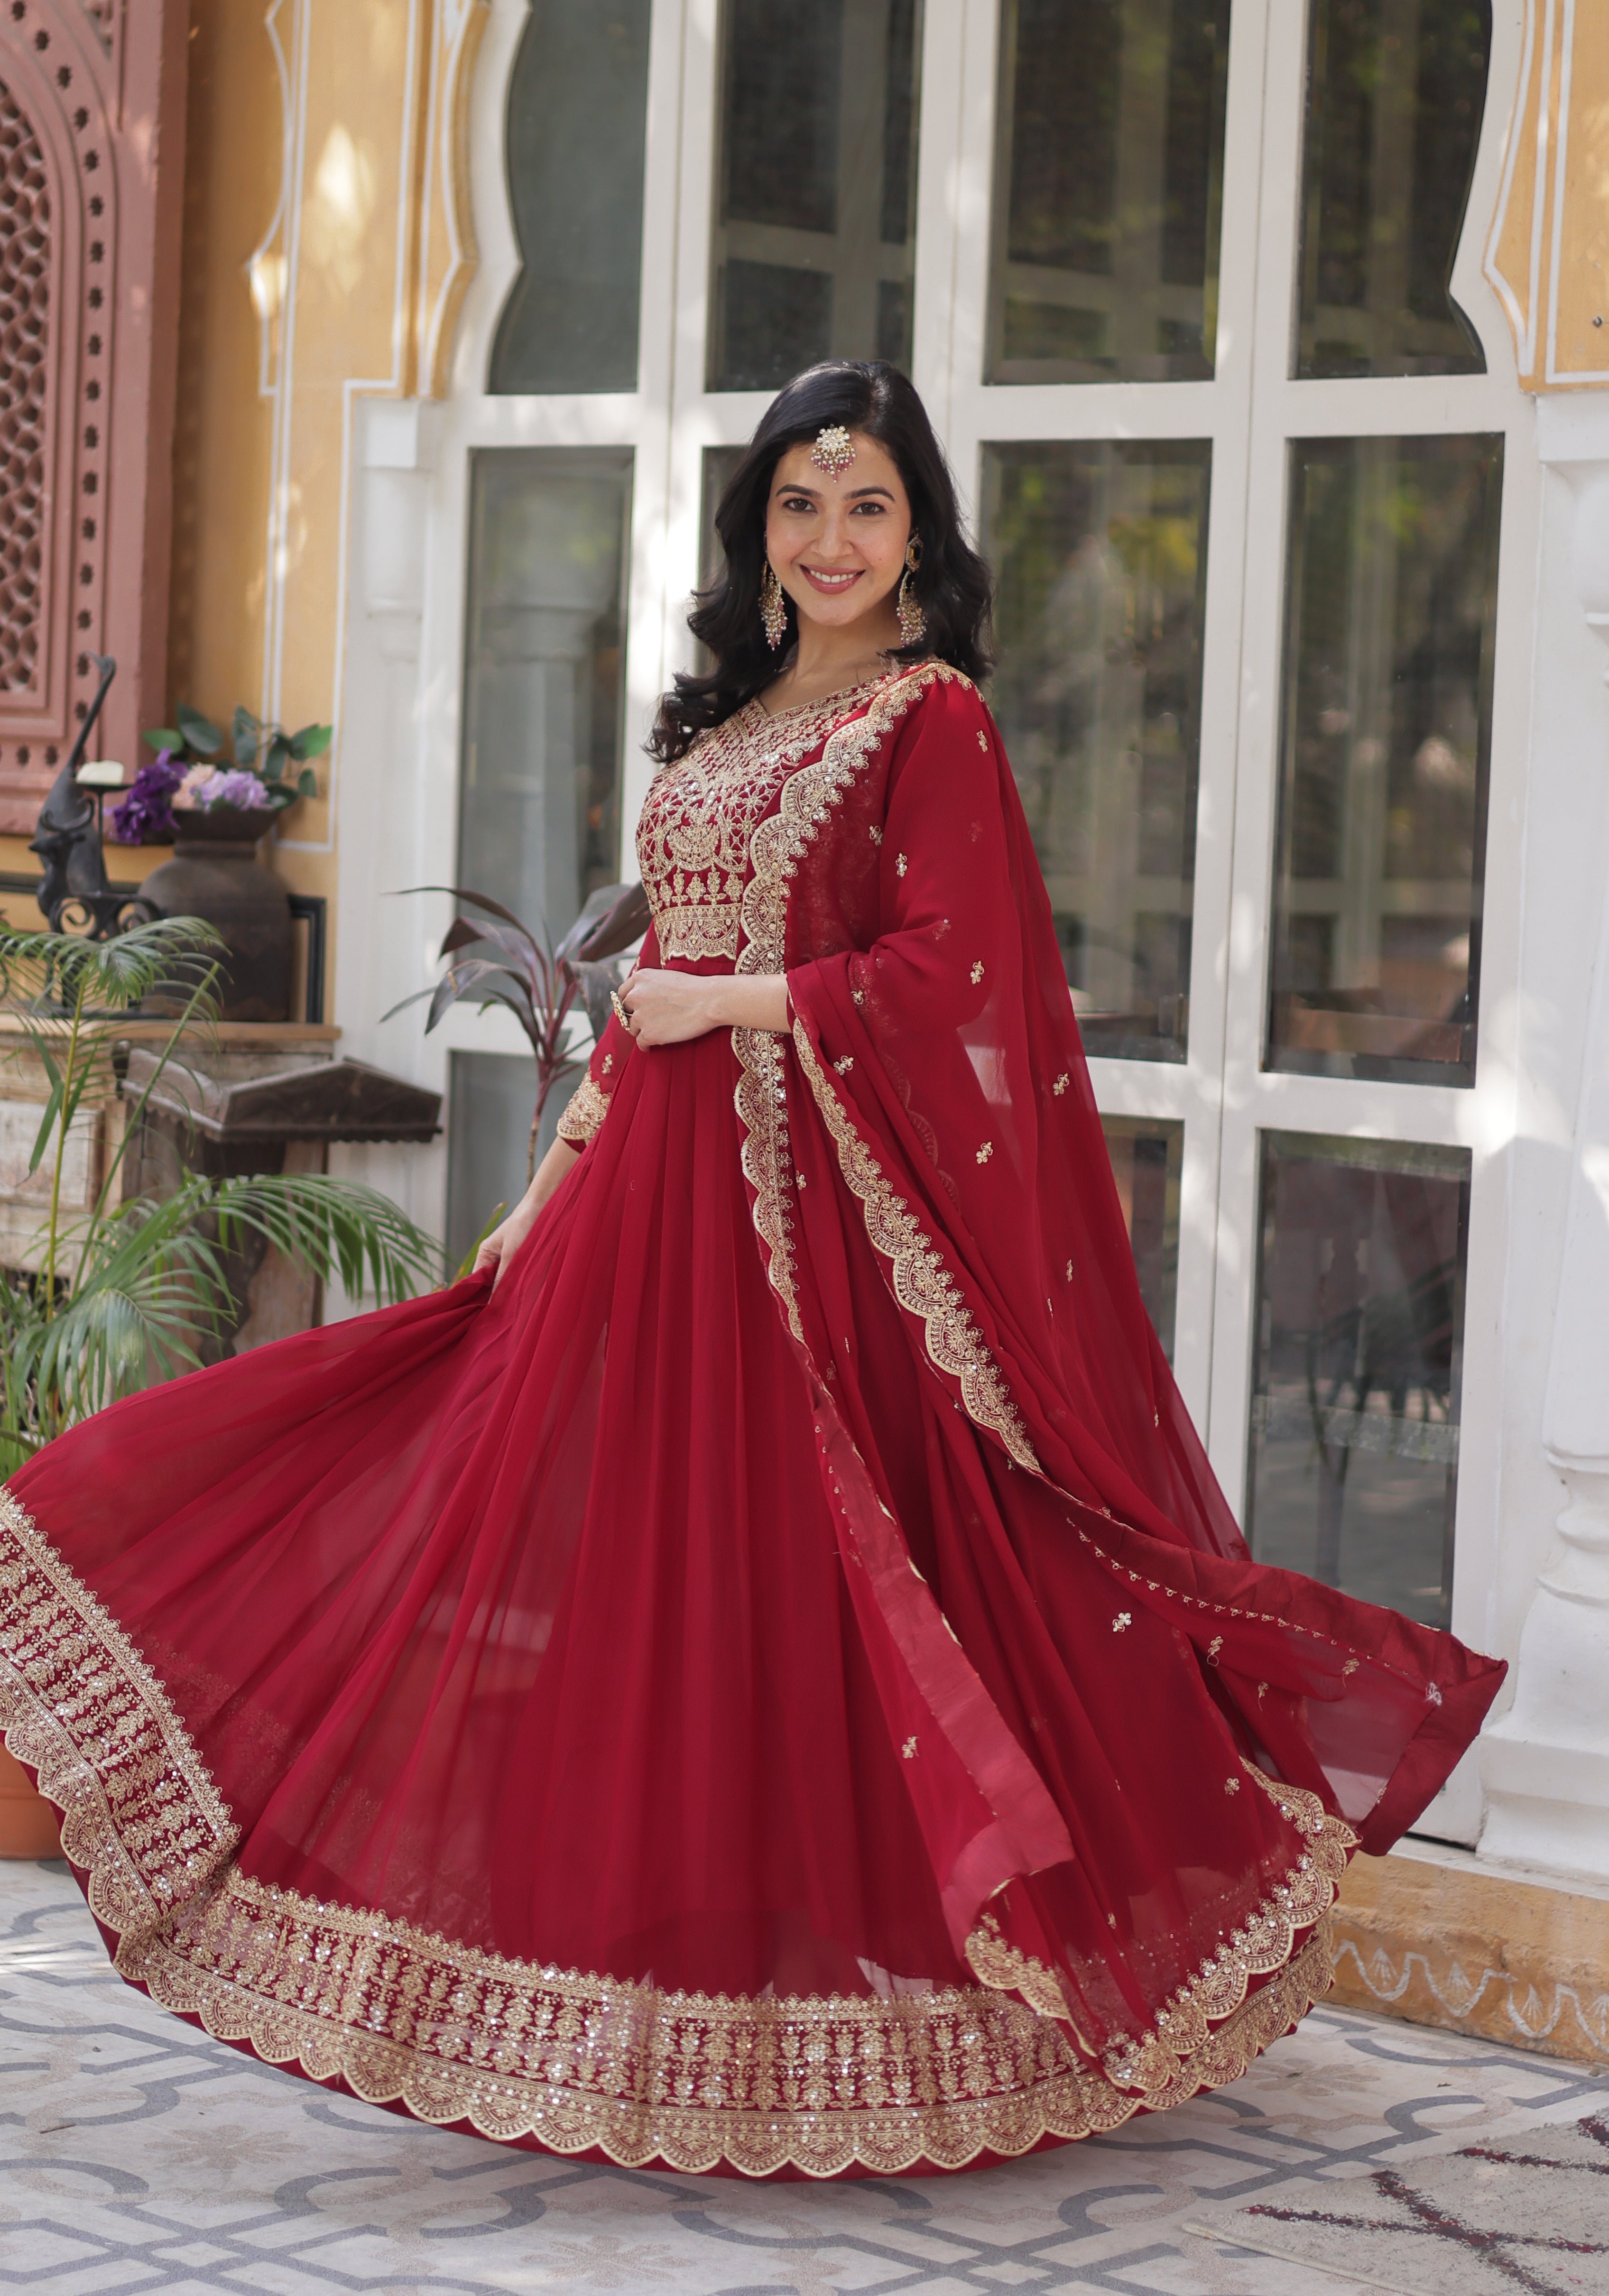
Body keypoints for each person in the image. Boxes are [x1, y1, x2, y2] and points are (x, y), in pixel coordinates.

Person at [0, 362, 1503, 2182]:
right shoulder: (719, 731)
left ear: (918, 531)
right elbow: (646, 1009)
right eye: (802, 503)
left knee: (836, 1591)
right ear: (758, 532)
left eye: (869, 504)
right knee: (629, 1574)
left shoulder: (925, 721)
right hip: (650, 1202)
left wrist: (731, 1004)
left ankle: (891, 2007)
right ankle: (655, 1986)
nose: (834, 538)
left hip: (820, 1237)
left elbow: (962, 976)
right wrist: (549, 1184)